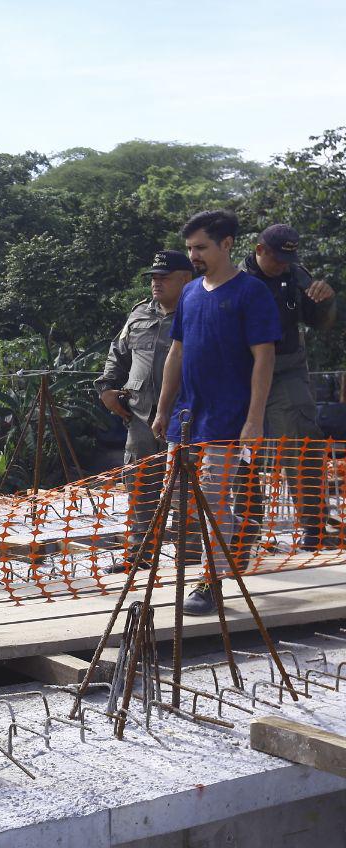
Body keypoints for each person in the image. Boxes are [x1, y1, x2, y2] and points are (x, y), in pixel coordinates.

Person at [152, 210, 281, 615]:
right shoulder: (190, 293)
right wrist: (162, 408)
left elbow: (264, 358)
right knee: (178, 498)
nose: (194, 255)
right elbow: (177, 351)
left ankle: (213, 580)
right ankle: (221, 553)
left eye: (201, 247)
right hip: (189, 415)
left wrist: (255, 418)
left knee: (213, 496)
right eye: (190, 248)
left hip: (229, 415)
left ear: (226, 245)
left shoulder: (251, 292)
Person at [238, 224, 336, 551]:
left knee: (301, 441)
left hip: (286, 370)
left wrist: (325, 300)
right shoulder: (235, 279)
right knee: (242, 451)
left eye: (288, 258)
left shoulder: (295, 274)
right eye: (277, 257)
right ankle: (245, 529)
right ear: (259, 249)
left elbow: (320, 321)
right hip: (242, 372)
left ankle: (313, 528)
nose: (282, 264)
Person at [96, 250, 194, 573]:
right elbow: (118, 351)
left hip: (183, 416)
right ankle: (141, 553)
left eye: (164, 277)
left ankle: (189, 557)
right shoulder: (139, 314)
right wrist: (107, 388)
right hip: (138, 417)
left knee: (185, 490)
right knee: (139, 484)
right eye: (153, 277)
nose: (156, 283)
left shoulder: (197, 312)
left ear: (185, 279)